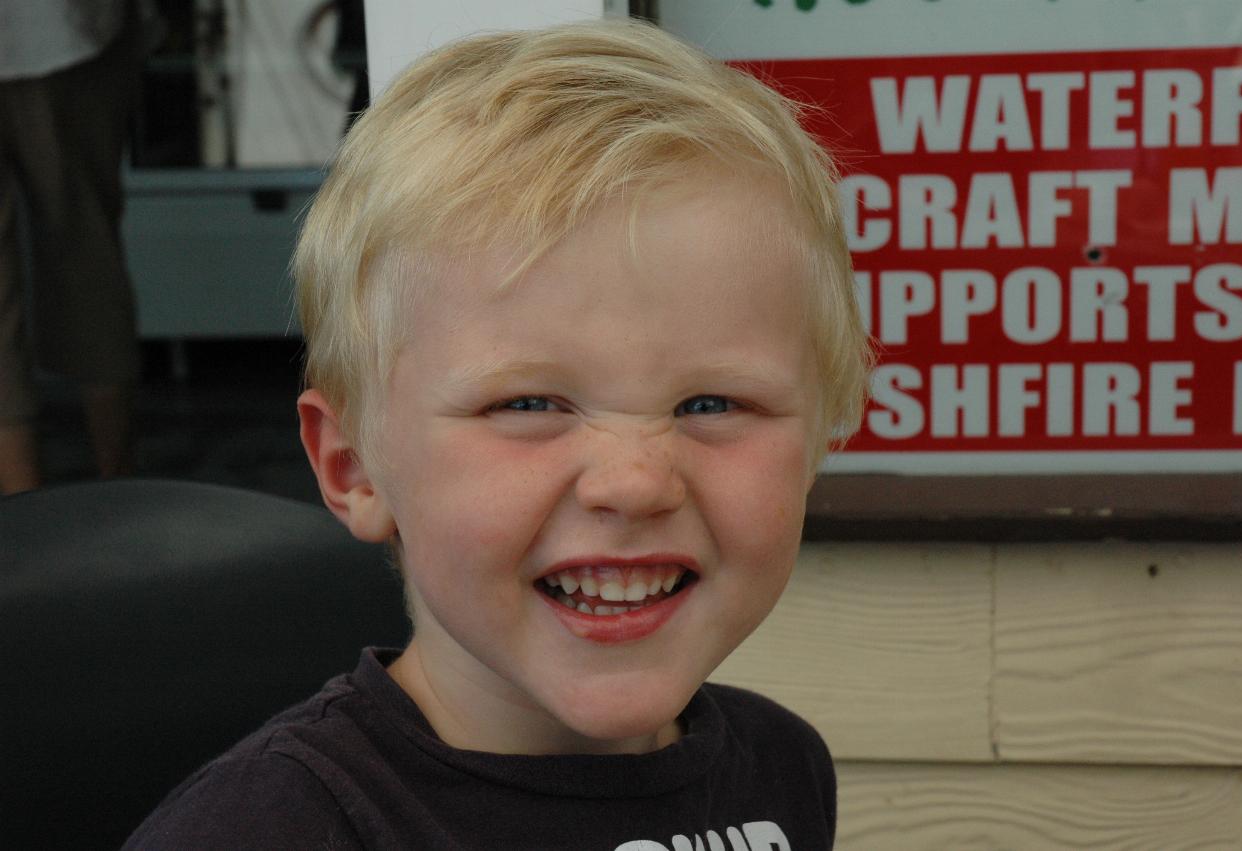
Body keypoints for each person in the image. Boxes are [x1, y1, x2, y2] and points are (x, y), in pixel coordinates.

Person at [124, 19, 872, 850]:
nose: (634, 481)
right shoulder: (271, 830)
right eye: (528, 405)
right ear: (354, 467)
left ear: (816, 442)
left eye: (710, 404)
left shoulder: (783, 767)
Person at [0, 1, 145, 494]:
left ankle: (22, 512)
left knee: (86, 255)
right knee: (87, 250)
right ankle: (117, 485)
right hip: (61, 26)